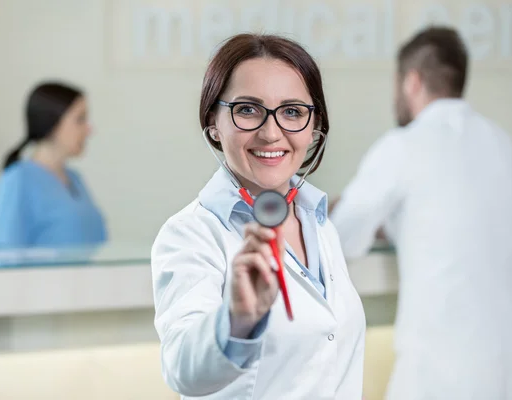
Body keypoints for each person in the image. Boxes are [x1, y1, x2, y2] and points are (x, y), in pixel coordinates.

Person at [330, 26, 512, 399]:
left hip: (444, 370)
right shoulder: (500, 142)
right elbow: (453, 218)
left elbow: (341, 238)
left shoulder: (403, 145)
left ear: (411, 82)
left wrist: (336, 208)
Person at [151, 33, 366, 399]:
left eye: (293, 111)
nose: (271, 133)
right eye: (248, 109)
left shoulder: (317, 221)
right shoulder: (190, 234)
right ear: (213, 123)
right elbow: (182, 366)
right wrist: (237, 320)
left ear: (314, 128)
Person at [0, 82, 107, 249]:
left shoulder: (75, 180)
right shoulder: (17, 181)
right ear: (53, 123)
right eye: (80, 119)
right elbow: (5, 259)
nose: (89, 129)